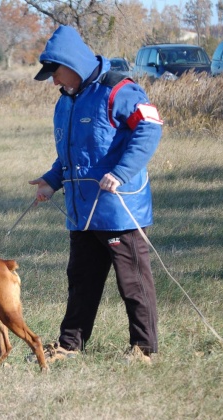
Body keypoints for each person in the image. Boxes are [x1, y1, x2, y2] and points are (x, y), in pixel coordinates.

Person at [28, 26, 163, 364]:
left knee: (133, 282)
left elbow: (150, 128)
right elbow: (72, 154)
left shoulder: (119, 89)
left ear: (71, 63)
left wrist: (120, 173)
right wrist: (51, 181)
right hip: (82, 212)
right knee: (81, 282)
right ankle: (70, 346)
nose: (55, 82)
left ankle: (144, 349)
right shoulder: (66, 102)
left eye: (56, 73)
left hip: (119, 209)